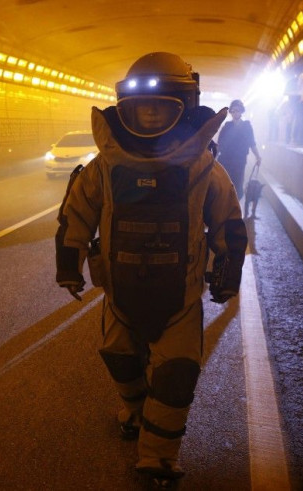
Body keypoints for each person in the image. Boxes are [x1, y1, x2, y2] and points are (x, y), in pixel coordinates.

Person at [55, 52, 247, 489]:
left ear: (184, 105)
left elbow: (228, 224)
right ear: (124, 109)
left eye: (160, 107)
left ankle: (158, 457)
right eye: (141, 109)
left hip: (179, 298)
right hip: (120, 295)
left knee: (176, 373)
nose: (149, 116)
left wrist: (227, 274)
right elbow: (75, 217)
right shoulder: (105, 166)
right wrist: (70, 267)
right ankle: (137, 412)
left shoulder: (202, 166)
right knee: (120, 359)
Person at [217, 99, 261, 200]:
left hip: (240, 160)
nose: (235, 112)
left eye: (237, 110)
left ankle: (235, 207)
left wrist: (258, 156)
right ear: (231, 112)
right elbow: (220, 144)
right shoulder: (227, 126)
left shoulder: (247, 126)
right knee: (225, 183)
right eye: (233, 110)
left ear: (241, 111)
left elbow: (252, 143)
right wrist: (214, 157)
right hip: (225, 159)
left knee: (238, 183)